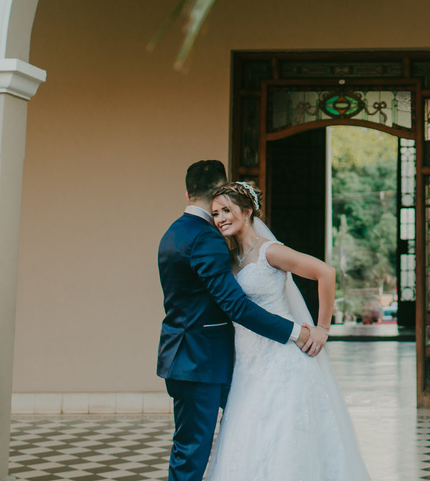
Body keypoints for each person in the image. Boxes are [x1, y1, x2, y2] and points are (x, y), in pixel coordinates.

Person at [157, 160, 319, 481]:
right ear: (220, 189)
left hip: (182, 355)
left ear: (187, 191)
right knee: (193, 452)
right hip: (201, 361)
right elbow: (235, 305)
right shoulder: (206, 237)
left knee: (236, 434)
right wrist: (293, 332)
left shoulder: (172, 233)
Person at [205, 181, 371, 481]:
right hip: (247, 365)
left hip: (281, 361)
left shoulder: (270, 252)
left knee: (284, 440)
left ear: (248, 210)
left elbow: (326, 272)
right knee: (248, 440)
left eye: (227, 210)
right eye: (216, 213)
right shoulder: (228, 260)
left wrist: (322, 329)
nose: (220, 218)